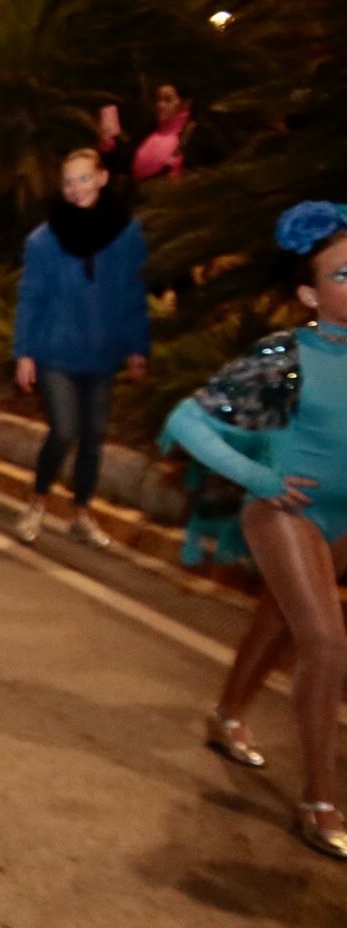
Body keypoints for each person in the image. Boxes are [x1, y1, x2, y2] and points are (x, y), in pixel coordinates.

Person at [159, 200, 347, 860]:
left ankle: (227, 714)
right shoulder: (286, 354)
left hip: (341, 522)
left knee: (278, 622)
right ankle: (321, 799)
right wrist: (259, 479)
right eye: (342, 275)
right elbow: (186, 420)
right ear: (308, 292)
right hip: (285, 512)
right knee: (325, 642)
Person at [12, 149, 150, 548]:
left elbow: (133, 291)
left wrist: (137, 346)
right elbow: (30, 297)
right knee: (64, 429)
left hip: (103, 352)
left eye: (84, 179)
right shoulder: (43, 239)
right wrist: (24, 352)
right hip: (55, 351)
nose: (75, 189)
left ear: (103, 178)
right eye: (69, 181)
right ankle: (37, 501)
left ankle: (82, 514)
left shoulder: (126, 232)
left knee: (94, 435)